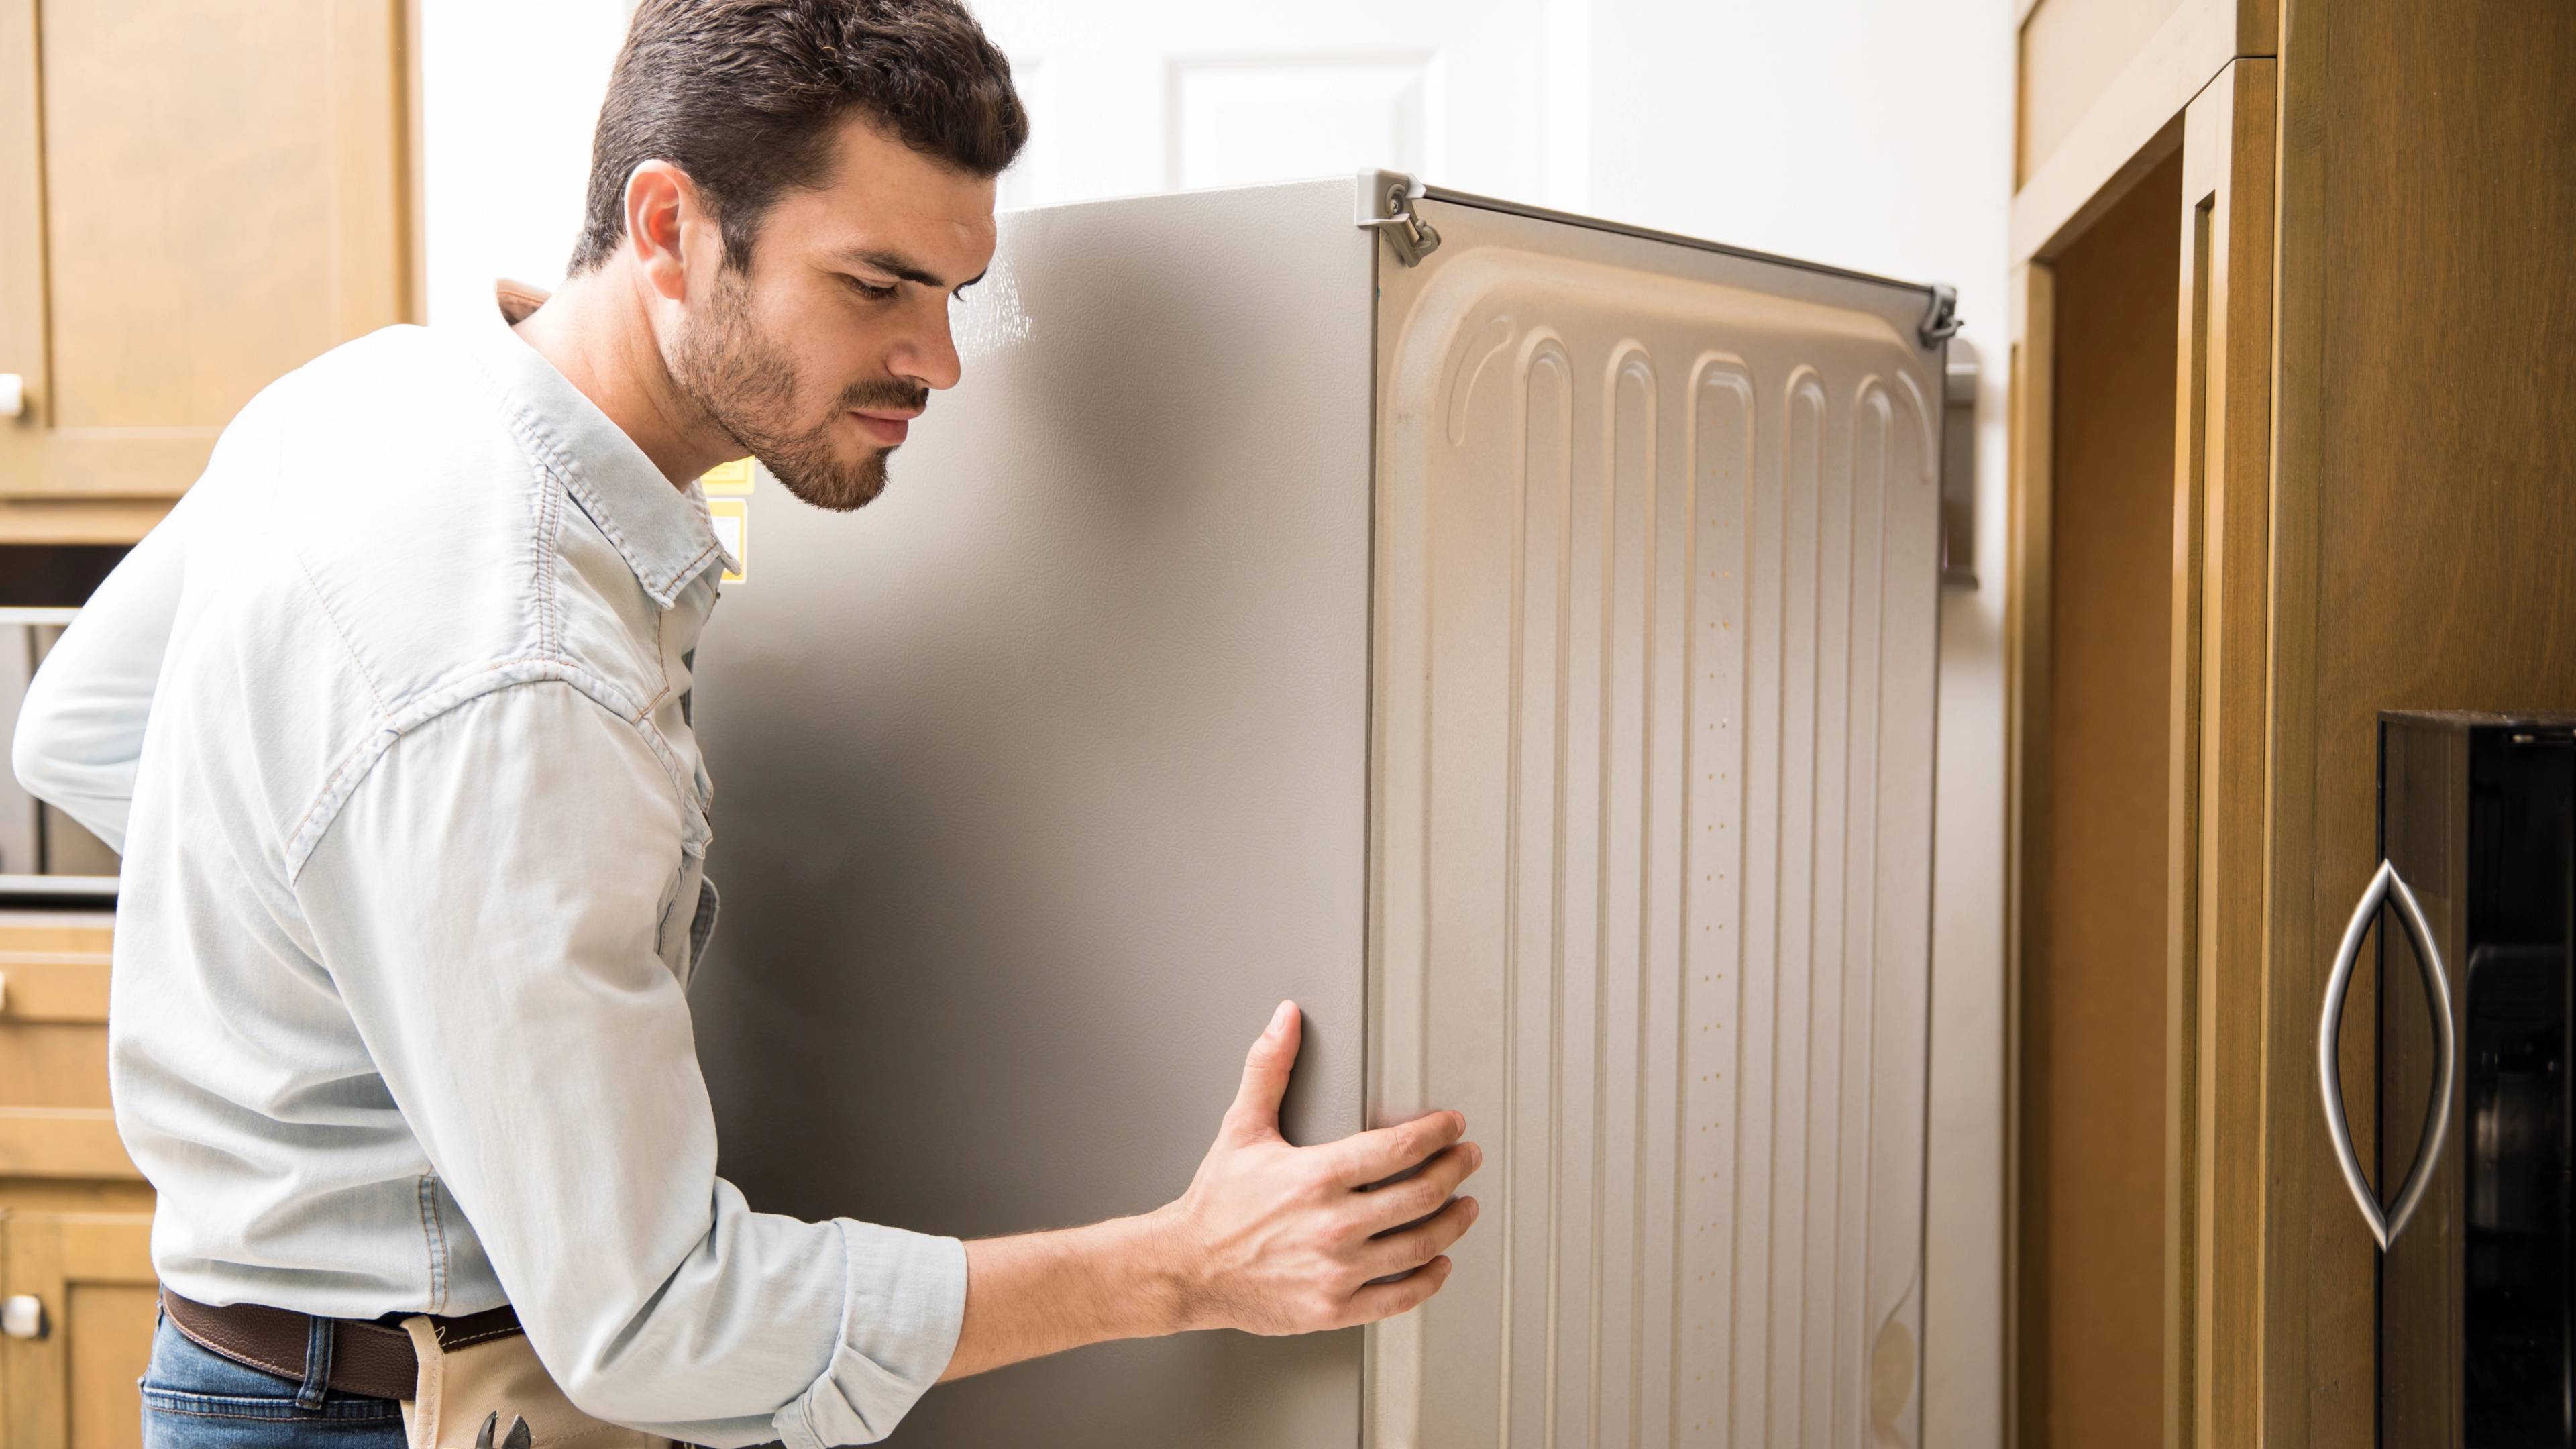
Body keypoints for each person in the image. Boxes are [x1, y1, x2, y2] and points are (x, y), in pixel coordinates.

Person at [10, 2, 1481, 1445]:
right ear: (669, 228)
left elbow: (75, 729)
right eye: (876, 284)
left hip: (255, 1371)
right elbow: (659, 1325)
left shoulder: (370, 392)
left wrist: (400, 951)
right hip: (408, 1411)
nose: (942, 360)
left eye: (954, 292)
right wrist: (1187, 1268)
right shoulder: (526, 672)